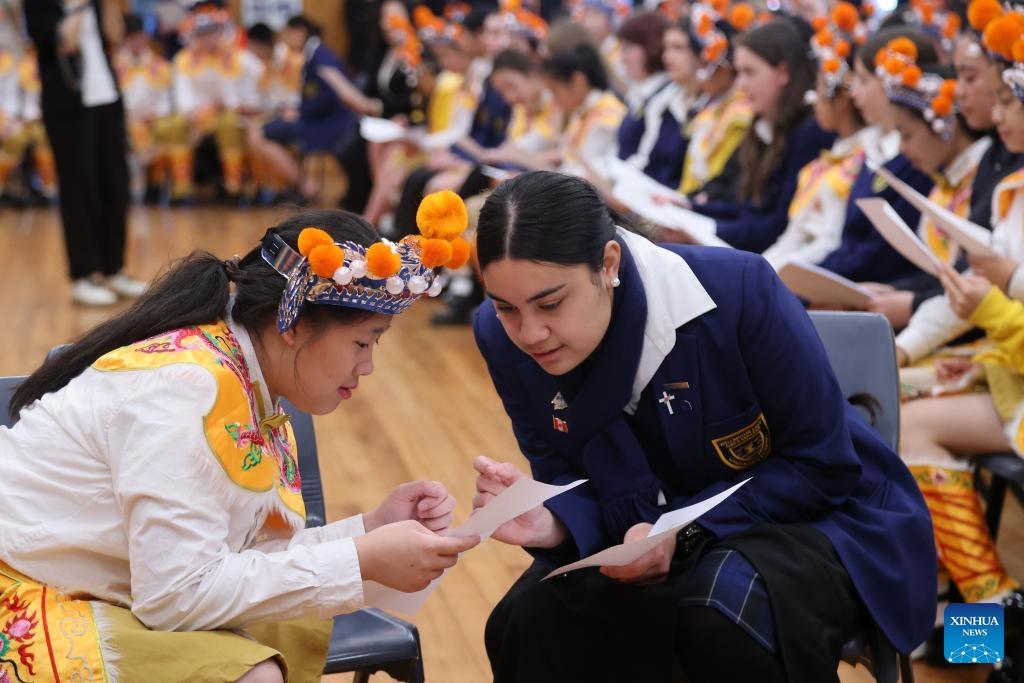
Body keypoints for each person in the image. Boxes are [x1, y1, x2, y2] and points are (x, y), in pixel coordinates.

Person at [469, 170, 936, 682]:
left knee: (717, 612)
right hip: (637, 529)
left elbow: (821, 465)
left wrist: (684, 533)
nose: (530, 333)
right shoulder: (497, 336)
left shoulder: (738, 289)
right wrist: (553, 521)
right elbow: (565, 473)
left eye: (551, 304)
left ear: (608, 264)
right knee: (526, 621)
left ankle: (986, 640)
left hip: (807, 516)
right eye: (507, 307)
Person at [0, 200, 480, 682]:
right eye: (362, 342)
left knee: (286, 624)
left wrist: (368, 531)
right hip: (23, 585)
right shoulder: (188, 388)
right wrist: (363, 557)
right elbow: (177, 595)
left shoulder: (247, 383)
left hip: (102, 580)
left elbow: (239, 558)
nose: (368, 365)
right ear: (291, 324)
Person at [24, 0, 148, 306]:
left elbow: (115, 35)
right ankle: (83, 274)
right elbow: (65, 43)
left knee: (115, 184)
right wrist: (77, 6)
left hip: (106, 98)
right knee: (79, 188)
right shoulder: (42, 6)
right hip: (67, 105)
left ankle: (114, 268)